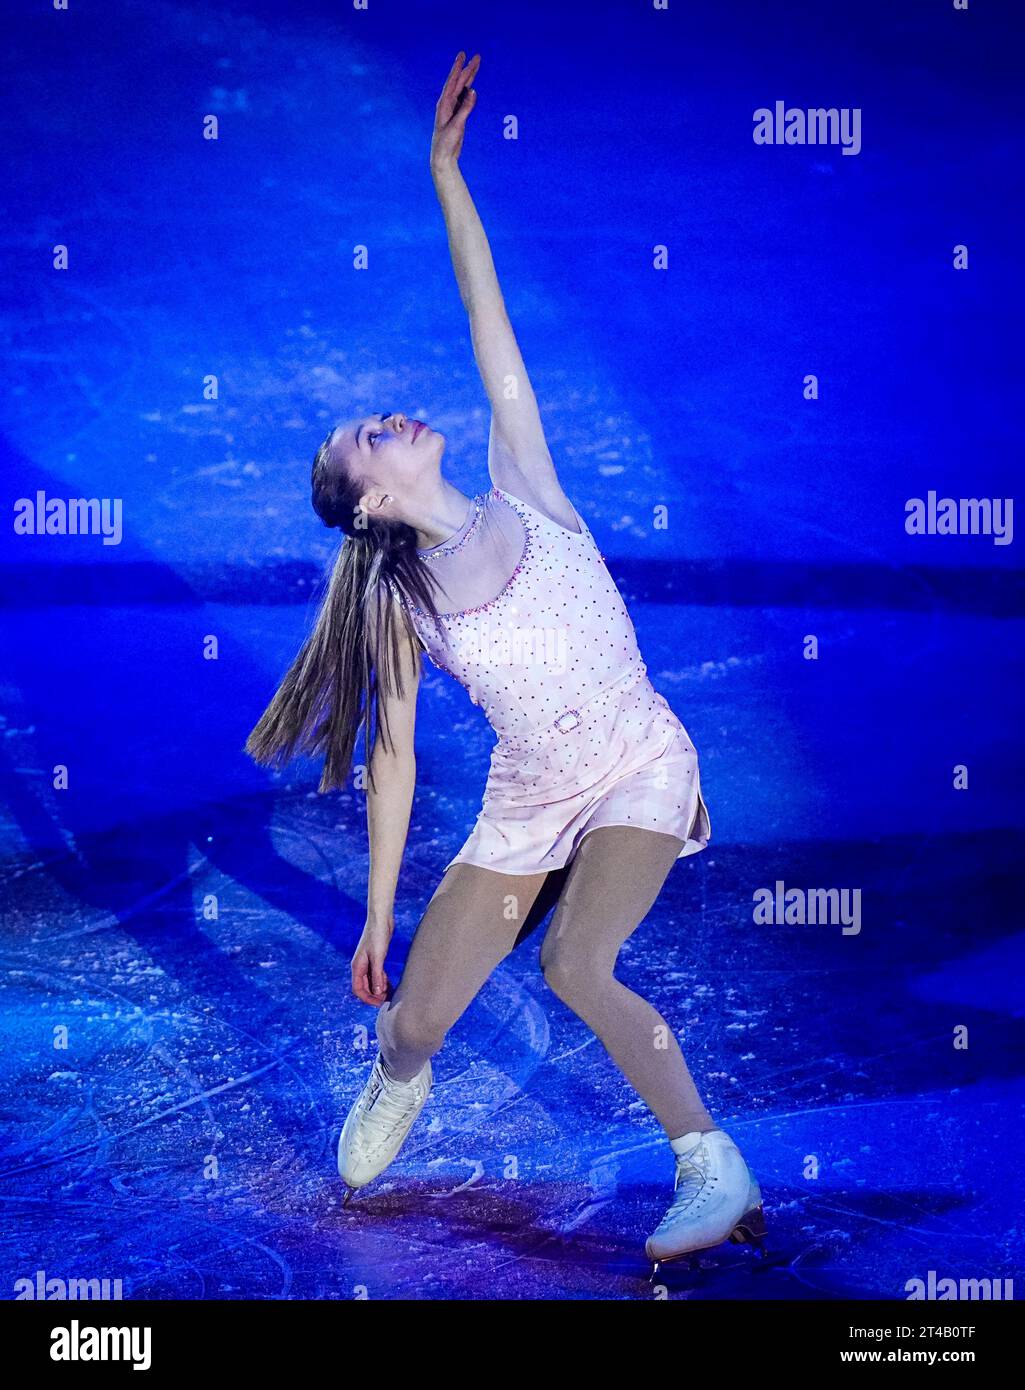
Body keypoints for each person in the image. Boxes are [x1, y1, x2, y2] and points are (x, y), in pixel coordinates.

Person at [246, 52, 765, 1273]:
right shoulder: (406, 602)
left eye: (377, 416)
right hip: (527, 801)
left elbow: (490, 319)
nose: (389, 420)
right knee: (418, 1019)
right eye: (369, 438)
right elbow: (395, 764)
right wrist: (375, 913)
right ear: (371, 500)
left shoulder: (523, 484)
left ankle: (709, 1158)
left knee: (576, 959)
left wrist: (445, 175)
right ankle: (397, 1076)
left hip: (637, 757)